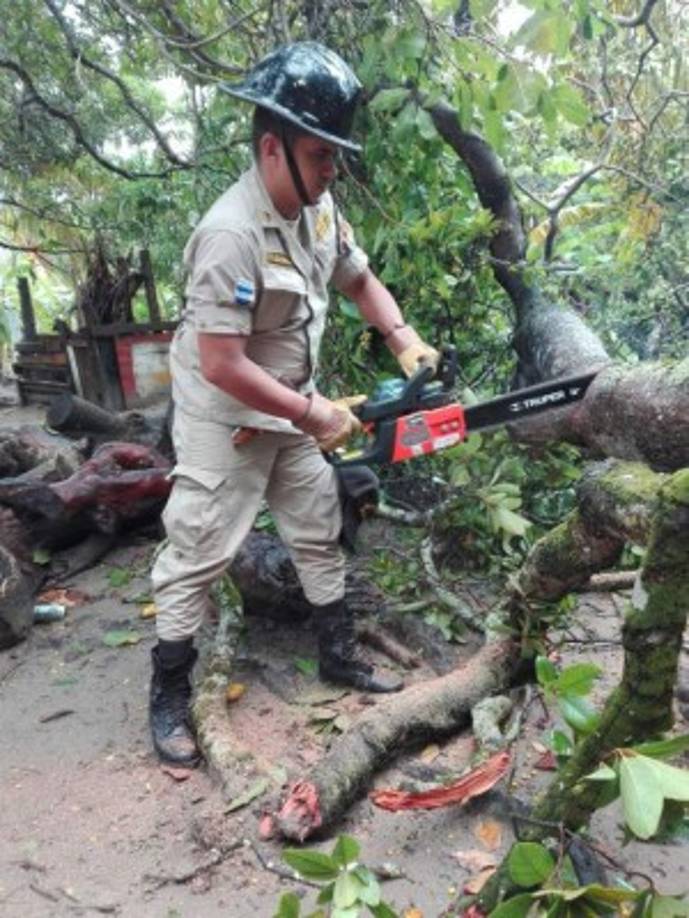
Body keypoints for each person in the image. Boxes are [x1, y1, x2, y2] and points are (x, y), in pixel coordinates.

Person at [149, 42, 439, 766]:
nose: (330, 168)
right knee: (199, 552)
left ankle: (337, 654)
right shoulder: (229, 234)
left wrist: (405, 342)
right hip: (229, 416)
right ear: (272, 148)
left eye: (333, 155)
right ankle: (166, 696)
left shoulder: (318, 209)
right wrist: (313, 415)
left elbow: (359, 279)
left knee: (316, 521)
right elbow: (220, 363)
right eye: (319, 154)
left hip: (292, 406)